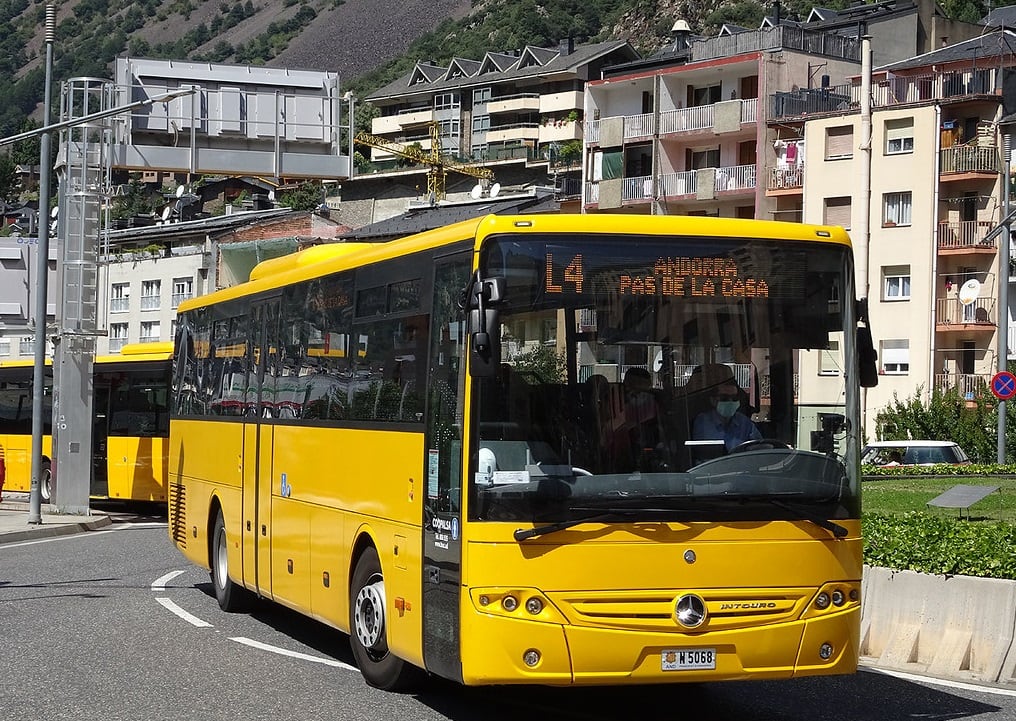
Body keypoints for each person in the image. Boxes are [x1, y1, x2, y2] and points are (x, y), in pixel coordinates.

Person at [692, 377, 761, 451]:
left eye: (734, 398)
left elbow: (760, 448)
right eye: (724, 398)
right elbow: (701, 454)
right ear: (713, 400)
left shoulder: (745, 422)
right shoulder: (703, 422)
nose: (730, 402)